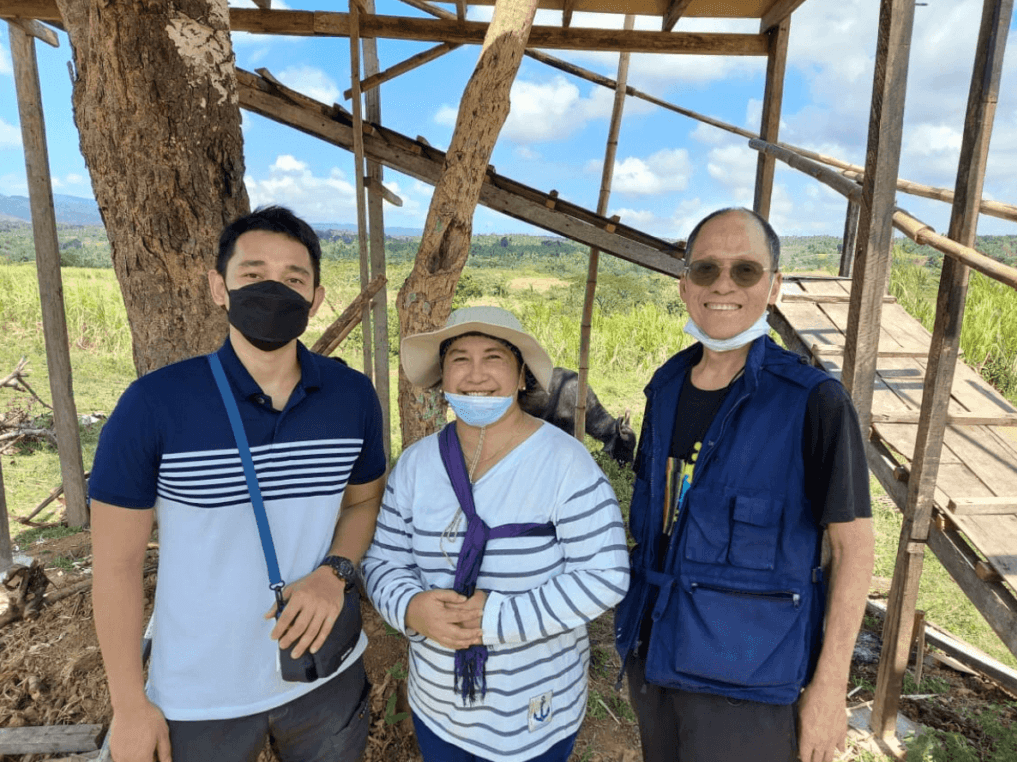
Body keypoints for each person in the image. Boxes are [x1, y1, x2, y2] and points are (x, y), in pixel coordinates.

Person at [89, 206, 387, 762]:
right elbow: (115, 565)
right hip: (197, 697)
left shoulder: (352, 398)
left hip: (328, 674)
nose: (273, 289)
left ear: (315, 298)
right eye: (253, 275)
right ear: (218, 288)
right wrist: (130, 705)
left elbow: (364, 500)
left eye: (294, 279)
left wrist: (335, 572)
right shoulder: (153, 405)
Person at [615, 208, 874, 762]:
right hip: (653, 655)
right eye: (706, 270)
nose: (723, 285)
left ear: (774, 285)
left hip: (748, 681)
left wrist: (829, 689)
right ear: (685, 286)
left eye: (746, 271)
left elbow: (855, 549)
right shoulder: (664, 387)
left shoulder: (814, 403)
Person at [362, 306, 630, 762]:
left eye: (494, 358)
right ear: (442, 378)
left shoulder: (565, 463)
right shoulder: (415, 465)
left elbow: (605, 575)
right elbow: (382, 560)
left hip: (535, 713)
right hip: (437, 707)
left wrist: (496, 620)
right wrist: (411, 607)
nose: (476, 374)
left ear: (522, 375)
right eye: (459, 359)